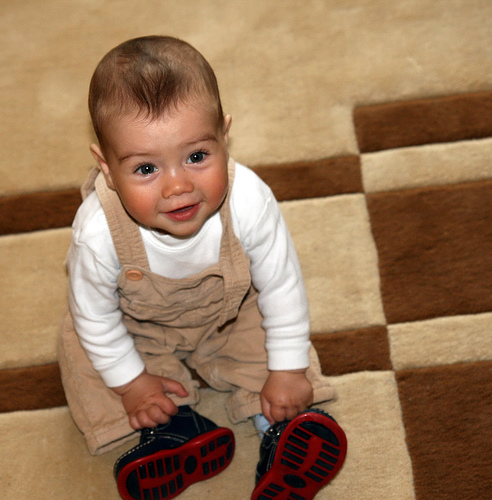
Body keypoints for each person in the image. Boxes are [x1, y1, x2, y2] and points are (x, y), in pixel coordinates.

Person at [58, 35, 347, 500]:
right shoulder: (97, 233)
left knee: (272, 351)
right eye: (146, 169)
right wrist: (131, 384)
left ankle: (279, 432)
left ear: (224, 138)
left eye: (196, 157)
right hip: (137, 329)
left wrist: (289, 368)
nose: (177, 186)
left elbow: (281, 283)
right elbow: (97, 318)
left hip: (230, 315)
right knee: (83, 351)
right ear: (107, 168)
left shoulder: (250, 200)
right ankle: (171, 431)